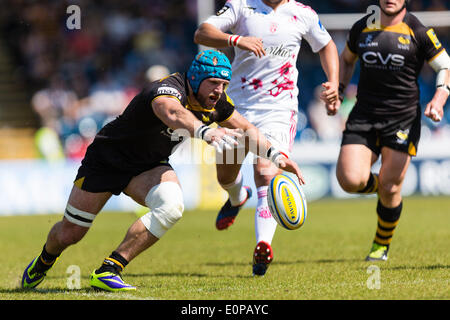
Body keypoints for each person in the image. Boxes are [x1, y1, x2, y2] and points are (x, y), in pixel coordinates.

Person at [20, 50, 304, 292]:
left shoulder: (217, 103)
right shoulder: (167, 89)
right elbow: (172, 113)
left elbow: (247, 129)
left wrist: (276, 155)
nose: (219, 91)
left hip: (148, 166)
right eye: (213, 83)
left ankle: (109, 270)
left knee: (171, 206)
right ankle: (43, 261)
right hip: (106, 160)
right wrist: (205, 133)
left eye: (224, 84)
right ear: (195, 78)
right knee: (70, 233)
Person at [194, 0, 340, 275]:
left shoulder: (303, 14)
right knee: (225, 177)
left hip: (279, 110)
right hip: (235, 109)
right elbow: (201, 33)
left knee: (265, 172)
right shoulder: (240, 6)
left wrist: (333, 81)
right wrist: (236, 39)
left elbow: (327, 45)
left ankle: (263, 246)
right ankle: (237, 197)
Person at [335, 0, 449, 261]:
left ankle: (380, 244)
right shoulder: (362, 28)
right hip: (364, 115)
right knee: (350, 180)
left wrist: (439, 99)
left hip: (402, 119)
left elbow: (446, 65)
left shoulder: (418, 31)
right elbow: (346, 59)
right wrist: (339, 90)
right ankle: (385, 187)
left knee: (391, 186)